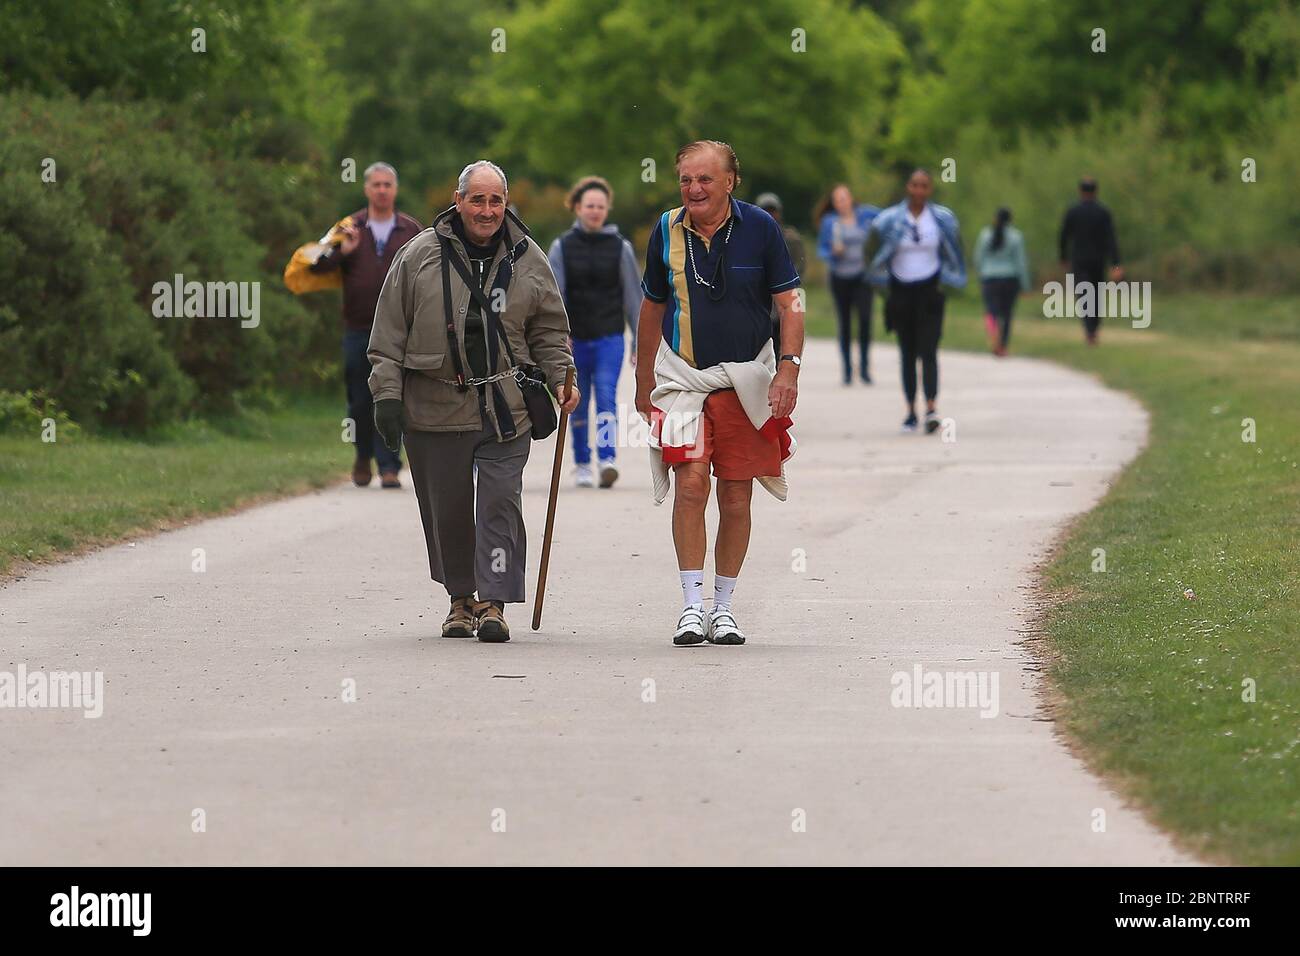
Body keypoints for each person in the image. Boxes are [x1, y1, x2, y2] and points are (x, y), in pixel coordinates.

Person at [367, 160, 579, 643]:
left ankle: (493, 603)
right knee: (449, 507)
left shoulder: (528, 258)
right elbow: (388, 333)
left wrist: (562, 378)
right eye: (477, 200)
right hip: (434, 404)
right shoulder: (418, 255)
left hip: (507, 405)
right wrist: (386, 396)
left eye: (496, 200)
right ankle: (460, 600)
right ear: (458, 201)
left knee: (500, 501)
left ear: (506, 204)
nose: (487, 210)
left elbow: (549, 329)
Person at [635, 141, 802, 647]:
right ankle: (691, 606)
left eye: (705, 179)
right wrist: (645, 384)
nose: (694, 189)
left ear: (730, 181)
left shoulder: (761, 229)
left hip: (746, 380)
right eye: (686, 179)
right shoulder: (665, 230)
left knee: (735, 491)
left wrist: (788, 369)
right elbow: (651, 308)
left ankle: (723, 608)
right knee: (689, 484)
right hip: (684, 381)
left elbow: (791, 303)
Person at [310, 162, 422, 488]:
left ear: (395, 189)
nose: (382, 190)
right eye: (376, 184)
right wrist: (342, 253)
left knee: (392, 395)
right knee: (359, 398)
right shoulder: (348, 227)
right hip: (358, 329)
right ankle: (362, 456)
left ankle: (389, 465)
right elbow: (314, 265)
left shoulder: (411, 229)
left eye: (388, 184)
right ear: (366, 189)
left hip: (399, 331)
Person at [547, 176, 642, 489]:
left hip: (609, 337)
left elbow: (633, 297)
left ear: (607, 209)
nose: (595, 211)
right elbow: (554, 294)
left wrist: (638, 342)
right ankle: (583, 462)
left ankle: (607, 458)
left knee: (605, 397)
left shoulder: (621, 248)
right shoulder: (561, 247)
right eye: (589, 205)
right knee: (576, 400)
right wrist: (558, 334)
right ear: (577, 207)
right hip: (574, 341)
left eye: (601, 206)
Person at [866, 168, 966, 434]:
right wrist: (880, 283)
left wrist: (951, 281)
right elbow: (873, 252)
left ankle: (931, 407)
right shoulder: (888, 220)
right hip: (900, 292)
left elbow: (955, 250)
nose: (919, 190)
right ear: (907, 188)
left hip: (930, 291)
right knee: (907, 352)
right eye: (914, 185)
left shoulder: (942, 219)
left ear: (930, 189)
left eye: (924, 185)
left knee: (929, 350)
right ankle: (911, 410)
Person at [816, 184, 879, 384]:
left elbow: (887, 218)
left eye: (845, 198)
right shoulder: (829, 222)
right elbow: (822, 250)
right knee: (844, 324)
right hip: (840, 277)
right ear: (834, 204)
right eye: (838, 200)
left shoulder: (866, 215)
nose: (842, 203)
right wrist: (833, 252)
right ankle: (847, 370)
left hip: (862, 276)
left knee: (865, 321)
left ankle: (865, 368)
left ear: (851, 198)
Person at [1059, 177, 1123, 346]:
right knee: (1097, 294)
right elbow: (1111, 240)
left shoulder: (1073, 212)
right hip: (1098, 260)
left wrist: (1063, 257)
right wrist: (1116, 264)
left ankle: (1089, 329)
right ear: (1096, 191)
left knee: (1083, 294)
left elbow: (1064, 236)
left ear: (1080, 191)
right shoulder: (1103, 212)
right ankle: (1093, 328)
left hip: (1079, 260)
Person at [974, 207, 1032, 357]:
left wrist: (981, 274)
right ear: (1010, 220)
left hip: (989, 277)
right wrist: (1025, 285)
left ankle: (993, 334)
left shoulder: (985, 234)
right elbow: (1021, 262)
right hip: (1010, 278)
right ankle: (1003, 345)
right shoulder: (1016, 236)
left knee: (991, 311)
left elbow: (978, 258)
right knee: (1007, 314)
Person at [754, 192, 807, 356]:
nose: (770, 214)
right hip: (760, 294)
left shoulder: (791, 238)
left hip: (788, 290)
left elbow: (800, 264)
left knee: (790, 335)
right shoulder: (750, 237)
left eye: (773, 210)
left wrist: (782, 282)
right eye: (765, 210)